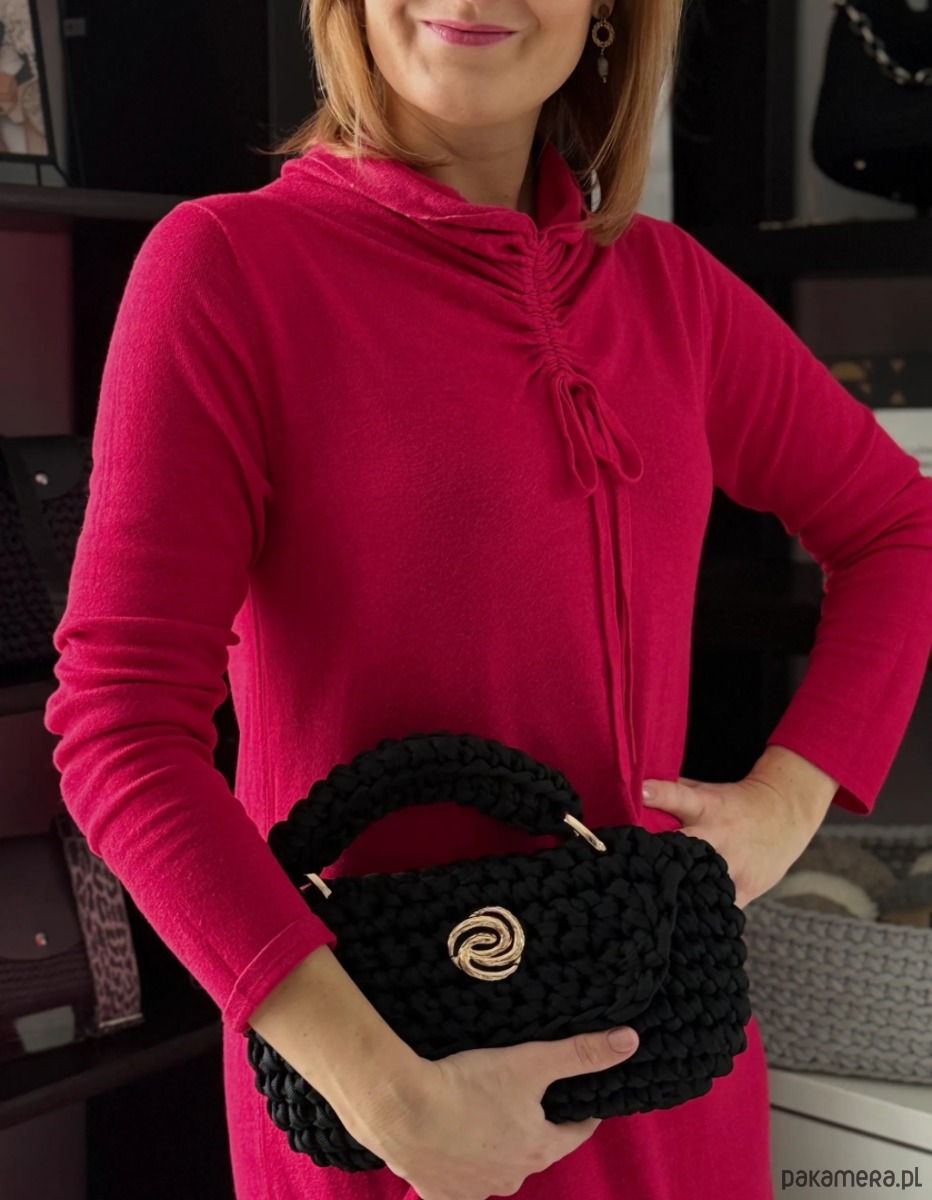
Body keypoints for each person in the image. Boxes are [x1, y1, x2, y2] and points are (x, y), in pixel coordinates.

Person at [43, 1, 932, 1198]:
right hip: (386, 1093)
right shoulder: (227, 268)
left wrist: (789, 797)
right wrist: (387, 1094)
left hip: (665, 1075)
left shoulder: (669, 287)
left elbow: (897, 527)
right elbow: (119, 728)